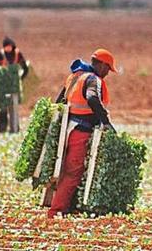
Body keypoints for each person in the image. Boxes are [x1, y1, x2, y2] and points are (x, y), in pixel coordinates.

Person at [47, 48, 118, 218]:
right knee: (73, 171)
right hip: (81, 130)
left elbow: (59, 101)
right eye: (107, 69)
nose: (107, 73)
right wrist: (105, 122)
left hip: (68, 129)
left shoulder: (75, 76)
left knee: (68, 169)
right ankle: (56, 211)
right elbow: (92, 98)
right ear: (101, 65)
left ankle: (69, 207)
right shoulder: (93, 79)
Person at [0, 37, 29, 133]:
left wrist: (20, 78)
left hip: (14, 87)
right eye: (6, 47)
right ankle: (2, 129)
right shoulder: (0, 55)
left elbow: (25, 67)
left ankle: (15, 129)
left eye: (9, 46)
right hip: (2, 88)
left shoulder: (17, 54)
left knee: (14, 108)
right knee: (3, 108)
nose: (8, 48)